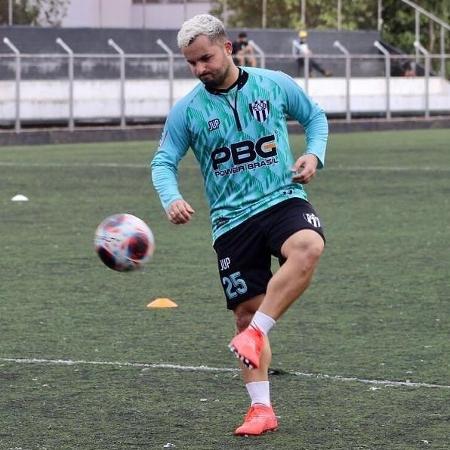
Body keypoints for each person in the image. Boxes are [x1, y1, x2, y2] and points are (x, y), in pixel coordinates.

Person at [151, 14, 328, 436]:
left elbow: (315, 118)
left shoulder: (274, 83)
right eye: (191, 64)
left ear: (228, 47)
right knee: (245, 314)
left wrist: (314, 155)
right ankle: (261, 409)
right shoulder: (188, 110)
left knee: (308, 246)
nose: (199, 70)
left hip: (281, 199)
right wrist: (171, 197)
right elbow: (163, 162)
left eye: (206, 59)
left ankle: (257, 334)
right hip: (231, 220)